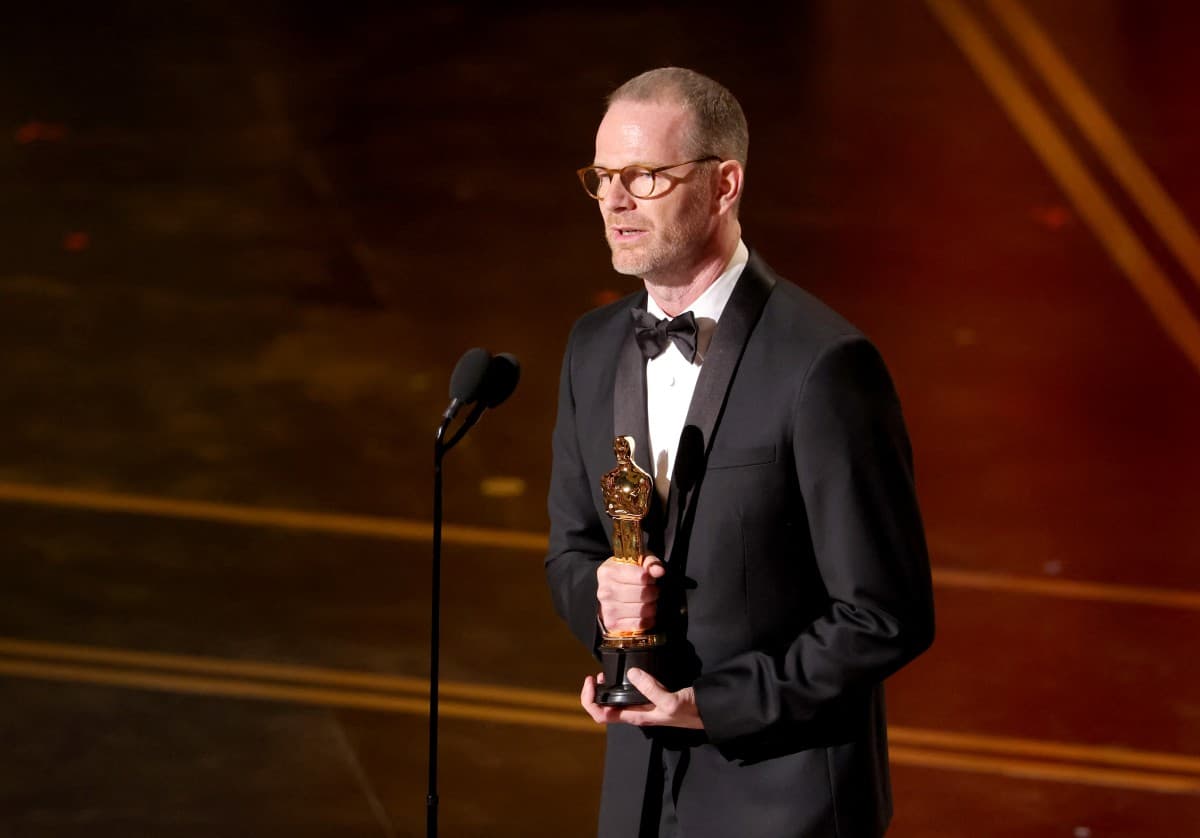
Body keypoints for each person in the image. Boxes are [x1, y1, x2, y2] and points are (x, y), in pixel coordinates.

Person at [545, 66, 935, 838]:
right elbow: (571, 551)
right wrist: (604, 602)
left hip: (784, 802)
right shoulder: (592, 348)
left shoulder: (823, 365)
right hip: (637, 797)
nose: (616, 201)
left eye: (645, 176)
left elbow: (885, 614)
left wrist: (714, 705)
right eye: (603, 177)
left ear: (724, 185)